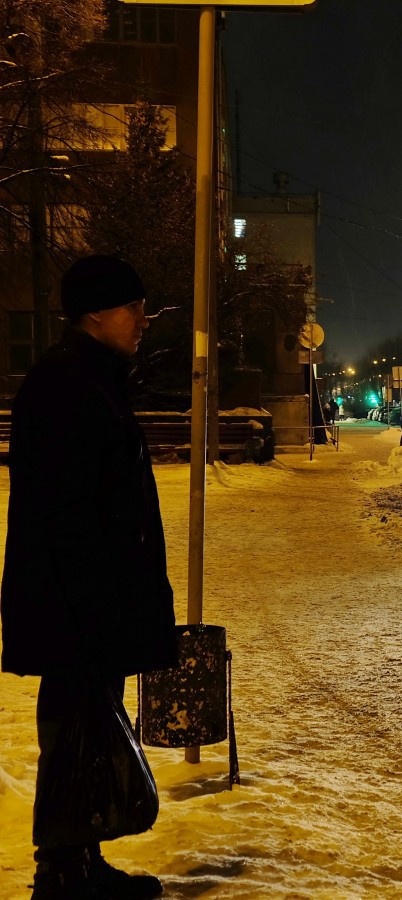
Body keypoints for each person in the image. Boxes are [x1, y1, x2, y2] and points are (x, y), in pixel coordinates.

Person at [1, 256, 177, 900]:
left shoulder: (88, 379)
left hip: (88, 599)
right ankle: (62, 872)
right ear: (97, 313)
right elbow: (66, 512)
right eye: (134, 308)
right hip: (76, 602)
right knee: (75, 728)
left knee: (85, 728)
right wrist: (95, 608)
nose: (143, 322)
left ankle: (79, 860)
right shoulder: (69, 385)